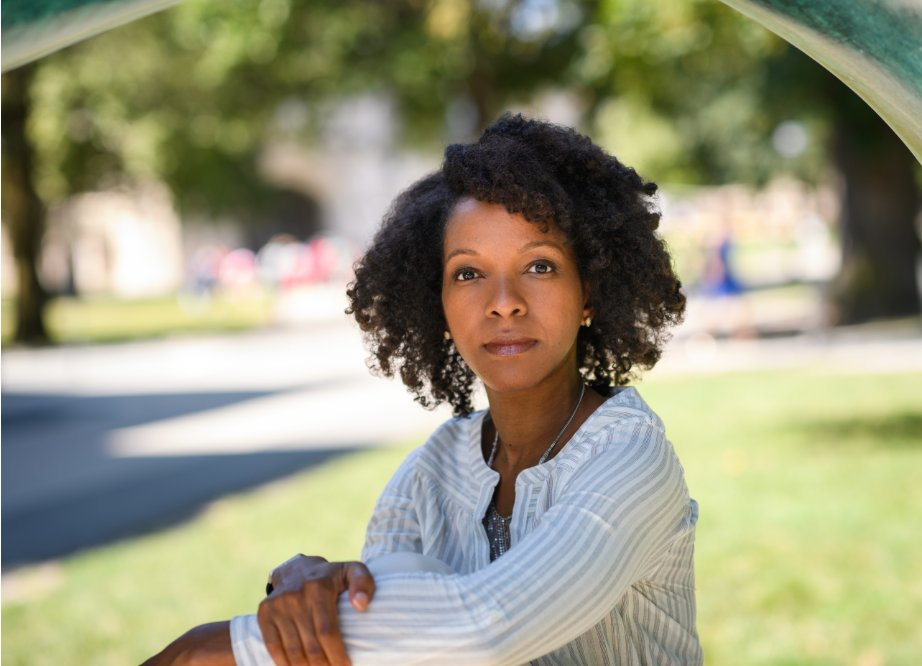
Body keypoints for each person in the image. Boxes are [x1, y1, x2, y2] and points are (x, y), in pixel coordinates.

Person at [145, 114, 700, 666]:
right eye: (467, 273)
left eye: (538, 265)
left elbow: (485, 629)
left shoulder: (631, 457)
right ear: (437, 302)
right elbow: (388, 642)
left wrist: (206, 649)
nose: (503, 301)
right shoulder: (427, 477)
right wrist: (320, 590)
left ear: (589, 294)